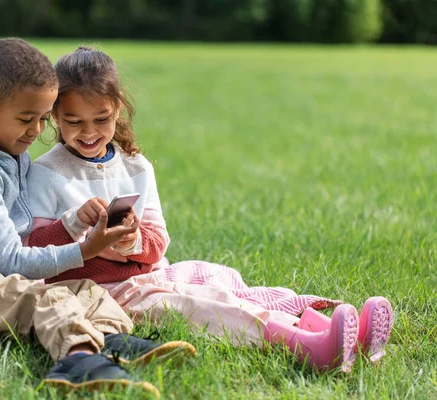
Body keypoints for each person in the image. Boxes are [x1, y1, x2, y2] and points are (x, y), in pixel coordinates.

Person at [26, 46, 394, 373]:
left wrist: (132, 242)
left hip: (150, 275)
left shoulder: (136, 167)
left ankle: (327, 329)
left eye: (101, 119)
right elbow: (33, 251)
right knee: (197, 307)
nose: (88, 132)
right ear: (56, 116)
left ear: (118, 108)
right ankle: (305, 344)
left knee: (221, 287)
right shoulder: (47, 173)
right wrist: (75, 225)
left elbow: (158, 241)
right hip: (102, 291)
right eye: (74, 122)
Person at [0, 38, 195, 396]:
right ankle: (78, 363)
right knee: (43, 298)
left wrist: (72, 224)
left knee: (87, 291)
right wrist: (85, 250)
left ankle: (113, 342)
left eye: (43, 118)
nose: (36, 131)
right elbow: (12, 261)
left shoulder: (8, 152)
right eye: (25, 119)